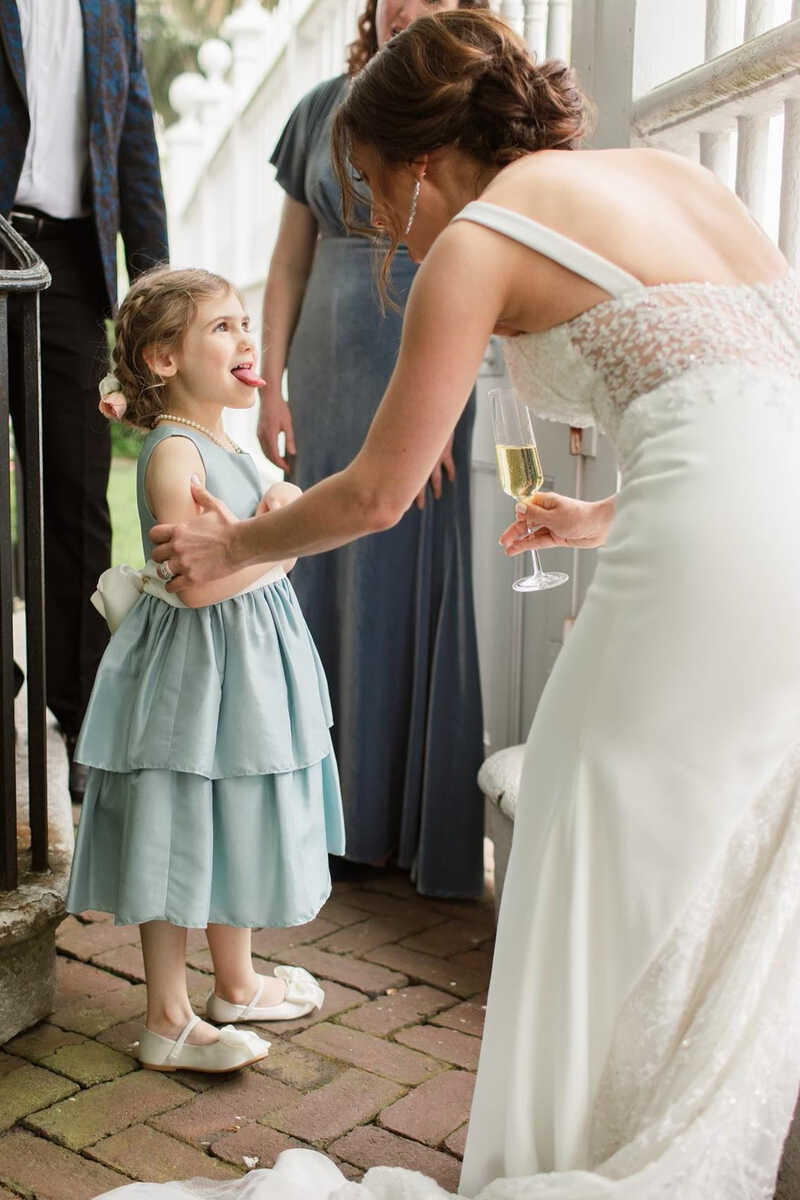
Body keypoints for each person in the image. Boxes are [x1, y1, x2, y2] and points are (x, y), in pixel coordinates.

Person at [124, 8, 800, 1198]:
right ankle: (646, 1132)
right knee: (701, 856)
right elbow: (744, 400)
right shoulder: (680, 183)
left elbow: (376, 493)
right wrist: (605, 514)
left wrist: (234, 541)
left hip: (697, 555)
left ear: (423, 157)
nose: (386, 224)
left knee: (585, 843)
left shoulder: (480, 237)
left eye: (379, 189)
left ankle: (565, 1158)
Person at [65, 267, 344, 1074]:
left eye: (245, 322)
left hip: (246, 666)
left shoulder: (226, 439)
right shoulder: (175, 451)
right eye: (222, 327)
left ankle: (237, 982)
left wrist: (276, 506)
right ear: (164, 360)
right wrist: (286, 540)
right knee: (179, 815)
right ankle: (166, 1017)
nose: (246, 338)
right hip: (197, 669)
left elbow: (249, 523)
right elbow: (194, 587)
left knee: (234, 809)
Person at [260, 0, 488, 897]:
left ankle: (391, 824)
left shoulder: (470, 111)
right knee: (320, 562)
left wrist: (440, 412)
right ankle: (313, 812)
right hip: (325, 362)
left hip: (424, 348)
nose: (407, 7)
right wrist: (270, 385)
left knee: (401, 565)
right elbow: (288, 260)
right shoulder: (321, 106)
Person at [1, 0, 169, 802]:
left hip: (69, 261)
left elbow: (134, 140)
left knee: (76, 497)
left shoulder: (111, 6)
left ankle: (83, 719)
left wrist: (157, 295)